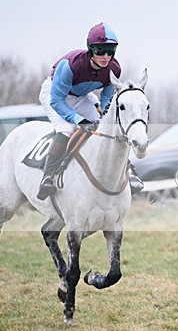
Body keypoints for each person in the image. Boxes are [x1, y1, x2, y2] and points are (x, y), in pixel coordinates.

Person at [36, 23, 143, 200]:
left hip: (83, 96)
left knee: (105, 129)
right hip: (55, 94)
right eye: (100, 51)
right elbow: (56, 100)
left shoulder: (114, 68)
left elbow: (107, 94)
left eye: (110, 51)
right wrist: (78, 119)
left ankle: (128, 171)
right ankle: (47, 177)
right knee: (66, 129)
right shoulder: (71, 65)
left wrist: (106, 109)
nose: (105, 56)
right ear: (90, 49)